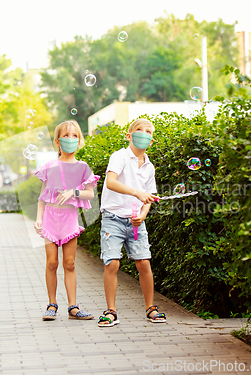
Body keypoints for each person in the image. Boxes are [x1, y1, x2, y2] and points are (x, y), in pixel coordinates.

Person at [97, 118, 166, 327]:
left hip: (135, 222)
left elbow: (150, 197)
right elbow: (111, 181)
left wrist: (143, 214)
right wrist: (137, 192)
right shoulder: (119, 157)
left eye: (148, 132)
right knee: (112, 262)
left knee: (143, 262)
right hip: (113, 219)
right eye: (139, 130)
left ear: (151, 140)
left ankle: (150, 308)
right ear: (129, 136)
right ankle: (111, 311)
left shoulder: (149, 167)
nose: (143, 134)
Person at [34, 120, 99, 321]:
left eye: (74, 135)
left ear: (79, 140)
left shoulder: (83, 168)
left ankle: (73, 307)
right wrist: (38, 219)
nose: (70, 139)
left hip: (70, 218)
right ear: (58, 141)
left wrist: (74, 191)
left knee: (69, 263)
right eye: (66, 135)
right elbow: (42, 196)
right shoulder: (49, 167)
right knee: (51, 262)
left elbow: (90, 194)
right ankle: (52, 305)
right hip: (50, 219)